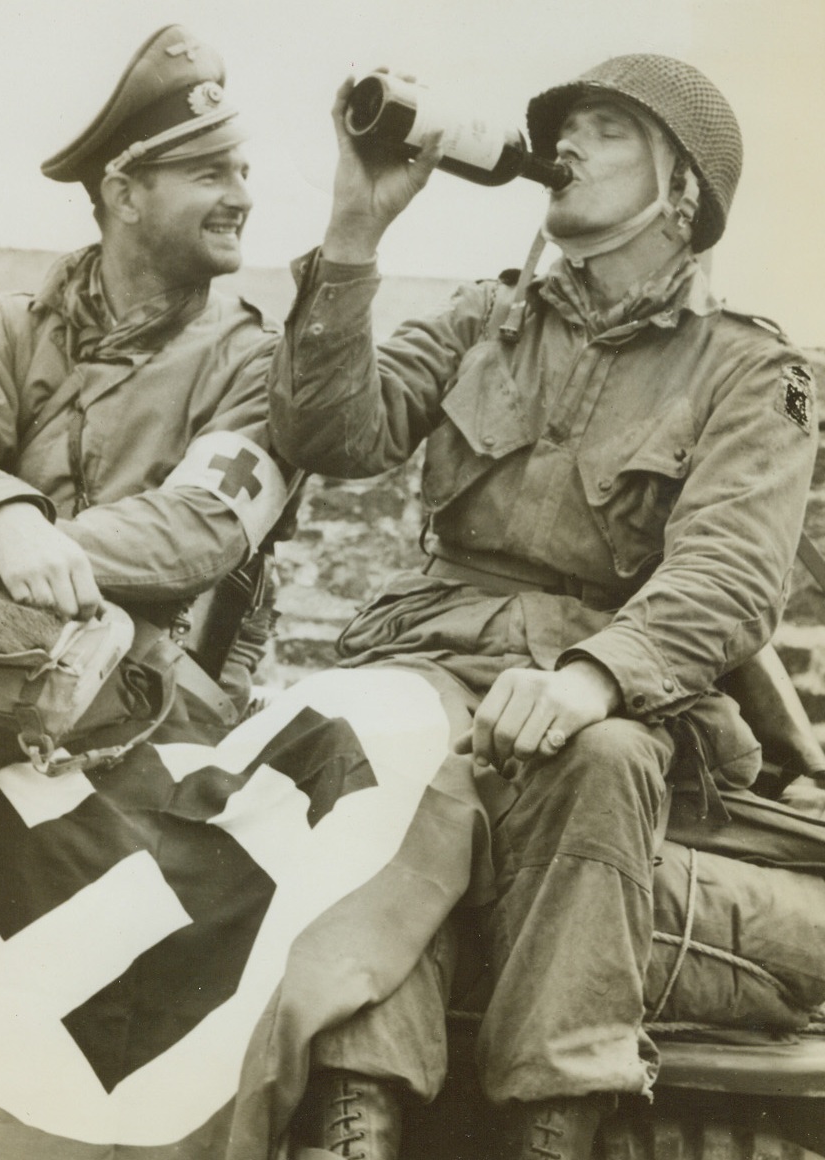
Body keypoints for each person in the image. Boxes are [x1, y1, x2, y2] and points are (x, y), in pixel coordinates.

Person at [267, 55, 818, 1160]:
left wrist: (590, 676)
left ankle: (553, 1123)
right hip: (426, 647)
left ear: (681, 194)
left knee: (605, 761)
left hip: (617, 675)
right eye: (567, 124)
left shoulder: (749, 369)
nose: (567, 145)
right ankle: (353, 1110)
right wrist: (356, 229)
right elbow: (329, 438)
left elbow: (729, 572)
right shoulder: (487, 317)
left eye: (609, 129)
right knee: (395, 737)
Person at [0, 25, 292, 894]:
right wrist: (7, 521)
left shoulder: (258, 361)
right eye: (210, 174)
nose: (241, 196)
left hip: (151, 685)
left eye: (241, 171)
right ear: (124, 193)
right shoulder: (18, 326)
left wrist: (15, 544)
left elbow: (200, 533)